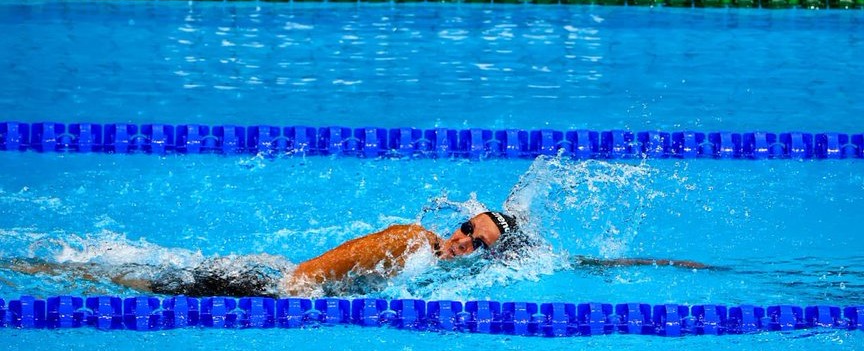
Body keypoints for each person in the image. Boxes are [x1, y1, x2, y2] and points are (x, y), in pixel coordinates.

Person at [7, 210, 710, 298]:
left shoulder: (436, 265)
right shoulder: (410, 241)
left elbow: (574, 266)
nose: (462, 239)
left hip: (265, 284)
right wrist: (288, 301)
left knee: (129, 276)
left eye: (478, 243)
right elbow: (309, 277)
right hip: (264, 287)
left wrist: (670, 266)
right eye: (467, 227)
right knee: (122, 282)